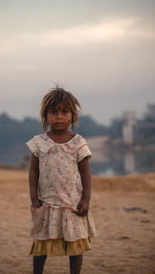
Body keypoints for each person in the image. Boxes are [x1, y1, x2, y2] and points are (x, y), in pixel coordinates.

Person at [26, 86, 96, 274]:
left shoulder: (78, 142)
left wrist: (86, 199)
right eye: (54, 112)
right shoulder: (39, 143)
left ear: (73, 116)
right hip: (46, 203)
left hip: (72, 204)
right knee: (41, 245)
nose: (59, 116)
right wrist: (34, 198)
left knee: (75, 246)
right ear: (45, 116)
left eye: (65, 112)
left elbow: (86, 172)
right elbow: (33, 172)